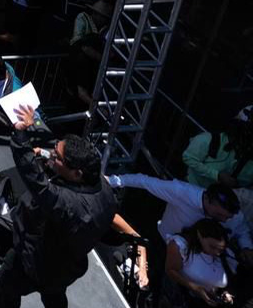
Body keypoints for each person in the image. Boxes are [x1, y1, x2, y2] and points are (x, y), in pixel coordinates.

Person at [0, 106, 117, 308]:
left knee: (5, 284)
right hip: (67, 266)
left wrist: (21, 135)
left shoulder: (66, 203)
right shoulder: (106, 191)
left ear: (77, 173)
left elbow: (35, 180)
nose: (52, 157)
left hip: (36, 262)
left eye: (57, 157)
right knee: (54, 296)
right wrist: (43, 152)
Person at [107, 172, 253, 258]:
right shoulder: (182, 192)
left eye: (227, 217)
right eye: (219, 214)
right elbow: (145, 181)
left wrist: (246, 247)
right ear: (208, 200)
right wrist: (111, 181)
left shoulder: (233, 215)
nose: (224, 220)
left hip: (200, 261)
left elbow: (241, 229)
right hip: (163, 246)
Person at [164, 218, 236, 307]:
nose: (217, 253)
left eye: (220, 249)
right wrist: (194, 287)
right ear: (200, 236)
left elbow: (230, 281)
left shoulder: (225, 255)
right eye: (212, 247)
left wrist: (226, 294)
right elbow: (170, 270)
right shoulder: (181, 246)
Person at [183, 109, 253, 188]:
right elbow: (188, 158)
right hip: (191, 187)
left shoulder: (247, 160)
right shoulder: (209, 140)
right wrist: (217, 175)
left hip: (216, 198)